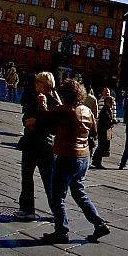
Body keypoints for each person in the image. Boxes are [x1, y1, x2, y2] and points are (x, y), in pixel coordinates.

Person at [38, 79, 110, 244]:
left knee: (57, 196)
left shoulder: (63, 110)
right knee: (79, 192)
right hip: (83, 157)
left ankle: (61, 231)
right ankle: (99, 224)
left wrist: (42, 103)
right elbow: (94, 131)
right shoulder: (86, 110)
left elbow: (45, 118)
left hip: (66, 155)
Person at [17, 72, 60, 220]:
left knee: (49, 181)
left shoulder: (54, 100)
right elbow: (26, 114)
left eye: (38, 82)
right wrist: (26, 121)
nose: (35, 84)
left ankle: (57, 211)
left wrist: (36, 122)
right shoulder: (34, 96)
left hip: (44, 145)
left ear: (45, 84)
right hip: (29, 142)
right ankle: (27, 209)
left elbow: (55, 123)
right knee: (26, 177)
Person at [93, 92, 116, 169]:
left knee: (102, 147)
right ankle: (97, 162)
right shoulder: (104, 111)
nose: (112, 105)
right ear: (106, 103)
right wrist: (112, 122)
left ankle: (96, 161)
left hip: (105, 131)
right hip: (103, 131)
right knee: (101, 147)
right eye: (111, 103)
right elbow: (104, 122)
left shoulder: (107, 110)